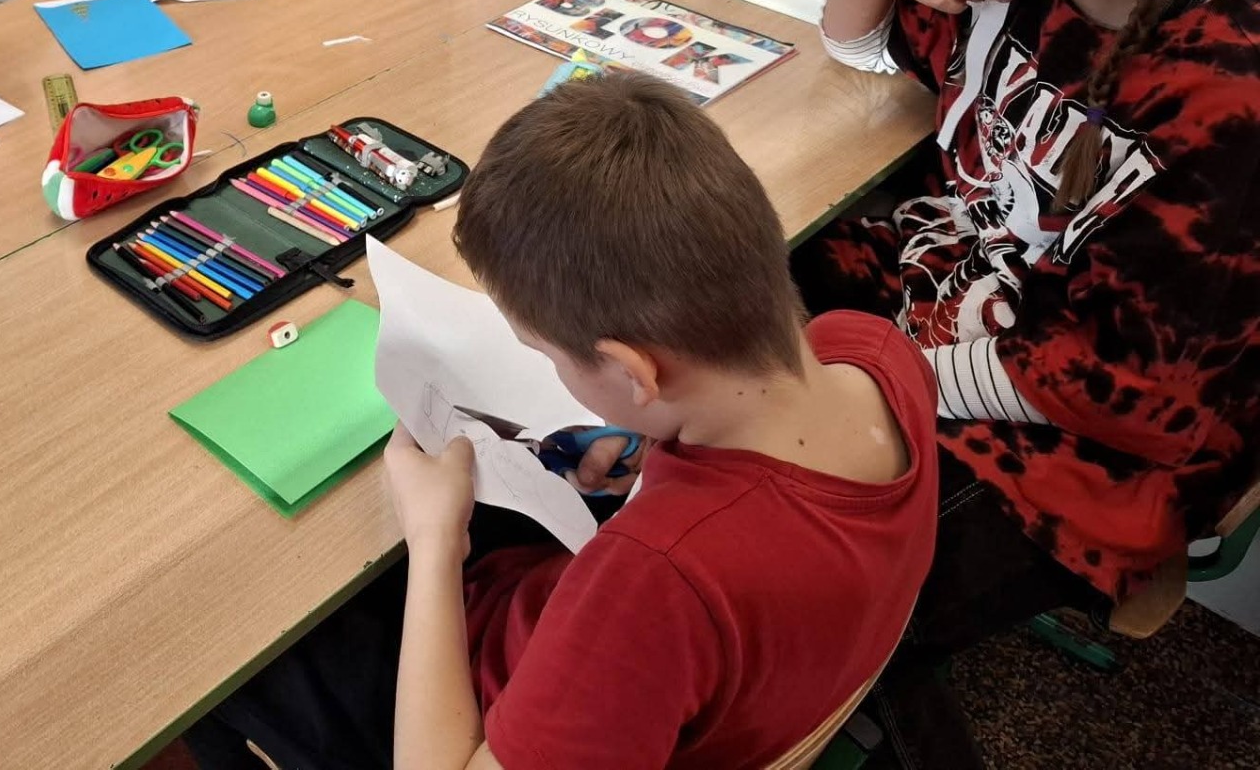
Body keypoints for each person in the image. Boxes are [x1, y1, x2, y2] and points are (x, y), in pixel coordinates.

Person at [186, 73, 940, 770]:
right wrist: (652, 445)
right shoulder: (872, 350)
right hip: (637, 659)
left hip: (497, 697)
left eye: (545, 354)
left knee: (222, 650)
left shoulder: (656, 582)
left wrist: (436, 540)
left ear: (634, 370)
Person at [809, 0, 1260, 767]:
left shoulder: (1227, 101)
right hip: (946, 301)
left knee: (812, 600)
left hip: (1086, 448)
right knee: (706, 295)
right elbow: (858, 46)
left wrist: (864, 376)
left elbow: (1113, 386)